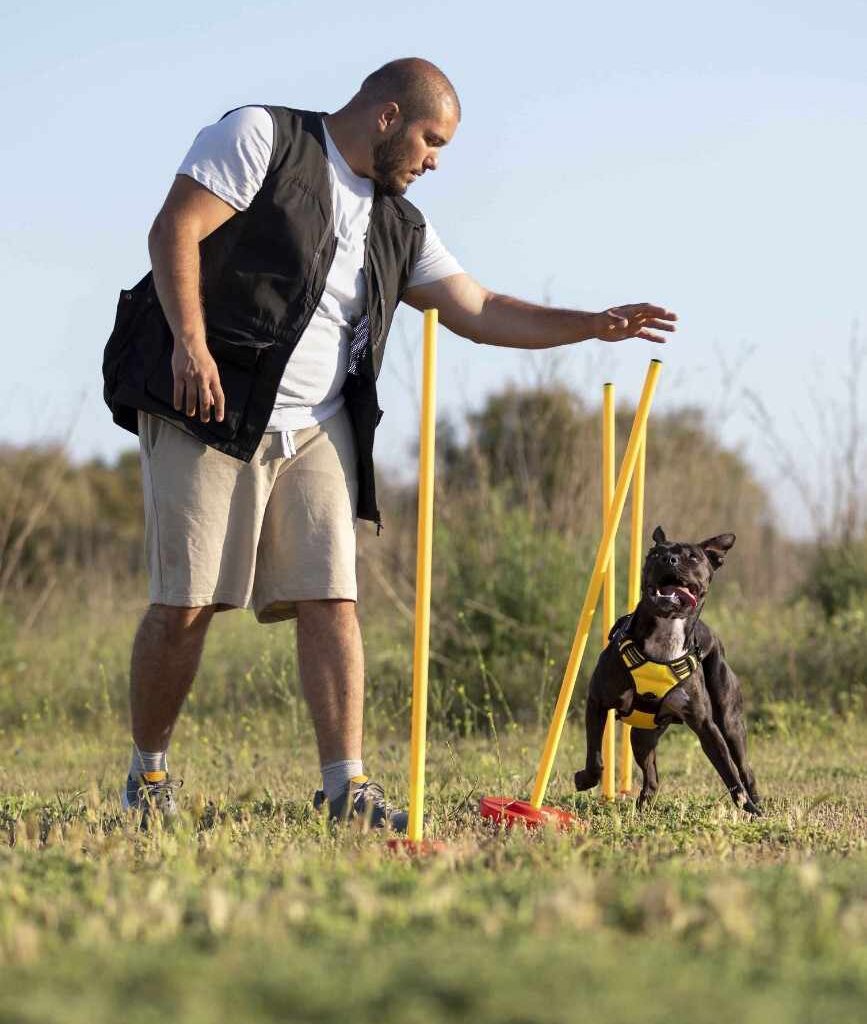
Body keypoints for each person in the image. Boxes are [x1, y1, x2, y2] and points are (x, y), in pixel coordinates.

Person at [104, 57, 677, 830]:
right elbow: (174, 226)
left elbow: (479, 307)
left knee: (332, 597)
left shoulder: (398, 223)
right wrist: (190, 344)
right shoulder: (263, 137)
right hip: (208, 406)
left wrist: (592, 324)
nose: (433, 161)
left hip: (319, 425)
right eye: (431, 140)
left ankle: (346, 787)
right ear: (386, 117)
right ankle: (148, 775)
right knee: (187, 604)